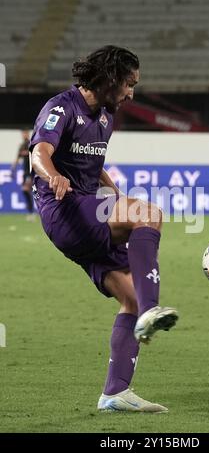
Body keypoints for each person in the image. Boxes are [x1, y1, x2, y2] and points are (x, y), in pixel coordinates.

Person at [30, 45, 178, 413]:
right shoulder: (61, 107)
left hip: (81, 215)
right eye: (128, 84)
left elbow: (91, 164)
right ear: (109, 77)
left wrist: (114, 192)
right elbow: (39, 153)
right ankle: (151, 310)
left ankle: (115, 393)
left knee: (127, 296)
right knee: (150, 213)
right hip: (64, 210)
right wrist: (54, 177)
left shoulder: (107, 116)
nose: (131, 93)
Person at [12, 129, 35, 220]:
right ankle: (31, 212)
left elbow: (33, 154)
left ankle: (32, 212)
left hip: (30, 171)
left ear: (27, 134)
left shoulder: (31, 143)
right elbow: (18, 157)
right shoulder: (22, 145)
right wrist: (13, 168)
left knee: (26, 189)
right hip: (25, 172)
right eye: (23, 133)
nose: (24, 135)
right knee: (25, 191)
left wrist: (25, 153)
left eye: (25, 133)